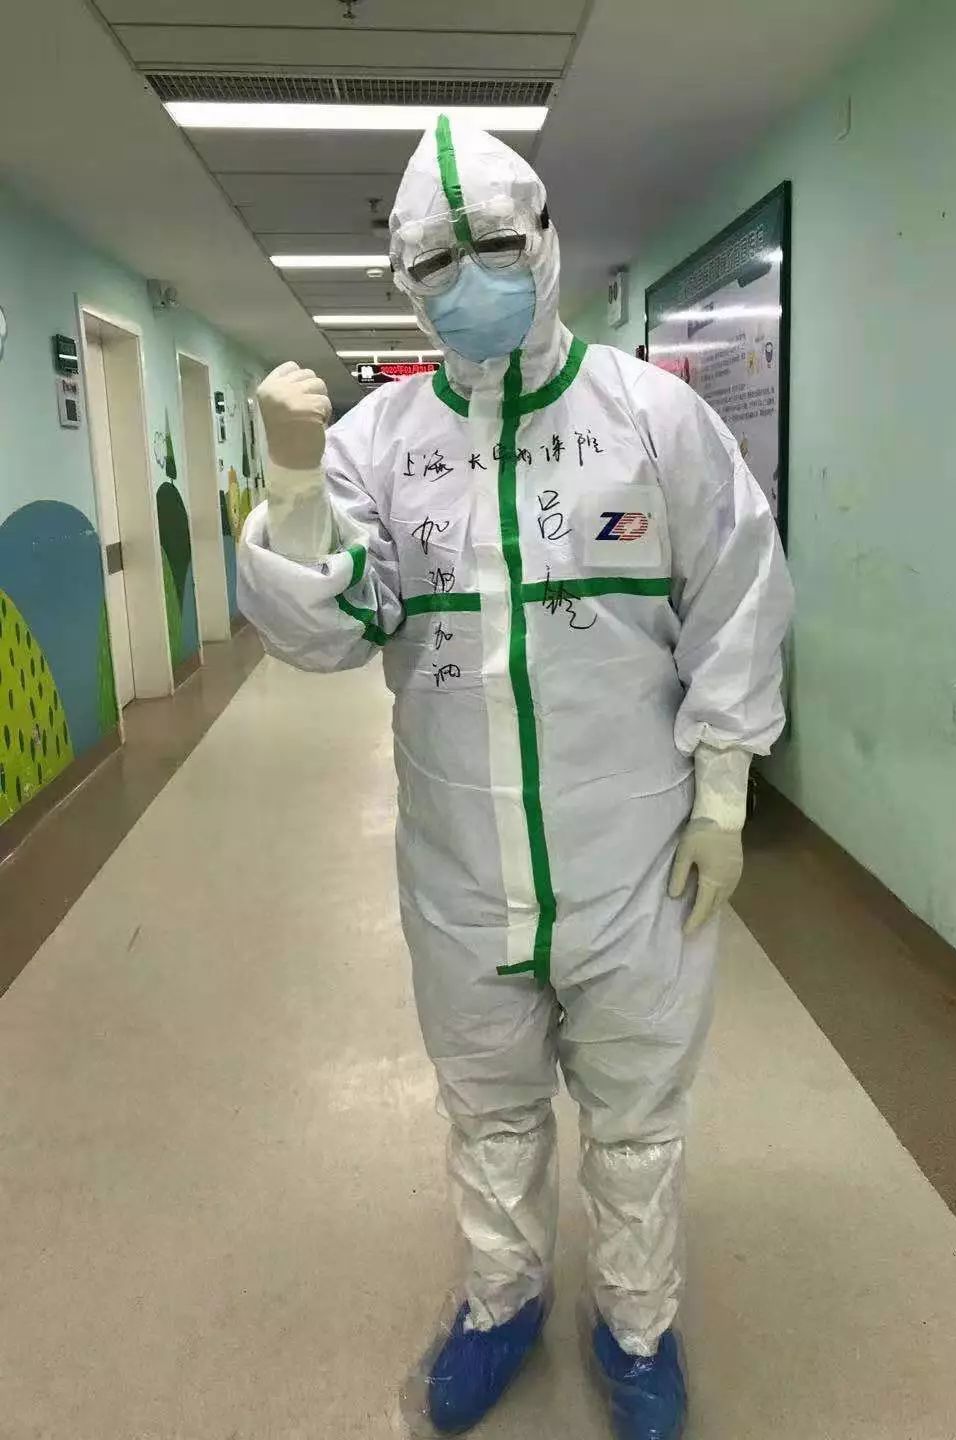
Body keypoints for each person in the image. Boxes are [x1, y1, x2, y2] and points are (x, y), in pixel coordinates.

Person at [239, 115, 793, 1440]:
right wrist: (296, 488)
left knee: (637, 1118)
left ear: (544, 238)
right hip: (460, 863)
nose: (471, 279)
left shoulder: (653, 417)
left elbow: (737, 600)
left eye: (492, 245)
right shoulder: (379, 441)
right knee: (489, 1111)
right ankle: (502, 1305)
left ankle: (637, 1328)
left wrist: (723, 800)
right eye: (437, 263)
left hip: (634, 858)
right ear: (405, 285)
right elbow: (331, 632)